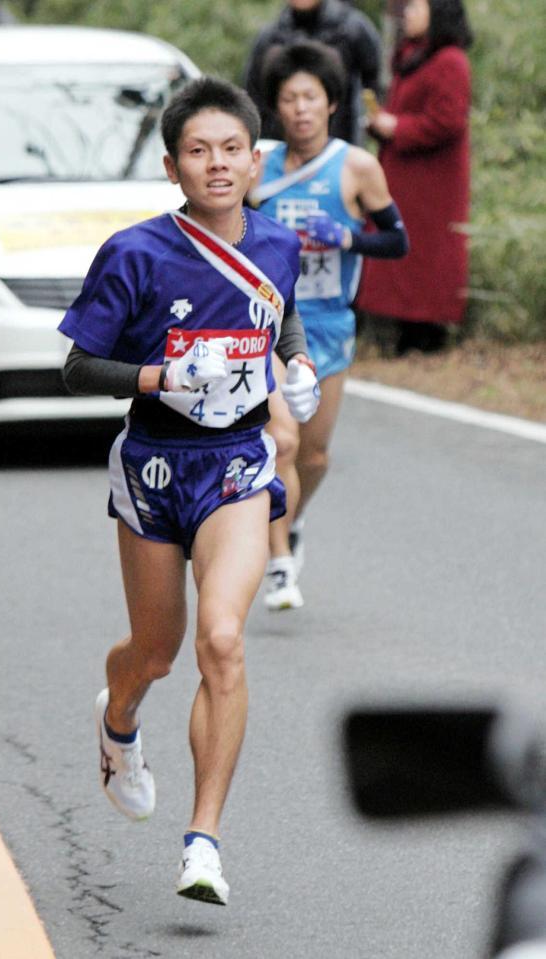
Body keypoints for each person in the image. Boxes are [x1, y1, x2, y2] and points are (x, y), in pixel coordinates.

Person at [58, 77, 319, 906]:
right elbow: (75, 366)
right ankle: (119, 720)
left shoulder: (277, 244)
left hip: (238, 464)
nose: (217, 164)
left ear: (254, 159)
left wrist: (298, 365)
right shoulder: (135, 252)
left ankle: (203, 840)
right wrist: (161, 374)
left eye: (231, 149)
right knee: (157, 652)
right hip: (154, 467)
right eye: (199, 151)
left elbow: (279, 318)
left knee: (223, 639)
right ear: (173, 166)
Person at [249, 41, 408, 610]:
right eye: (288, 98)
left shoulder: (357, 166)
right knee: (282, 444)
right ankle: (279, 565)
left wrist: (346, 238)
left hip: (329, 326)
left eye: (310, 97)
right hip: (265, 326)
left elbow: (397, 240)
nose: (299, 109)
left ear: (332, 104)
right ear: (276, 106)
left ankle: (288, 525)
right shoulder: (256, 164)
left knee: (313, 456)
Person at [357, 0, 474, 354]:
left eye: (416, 6)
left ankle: (427, 336)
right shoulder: (412, 56)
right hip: (404, 176)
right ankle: (400, 334)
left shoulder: (451, 61)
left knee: (430, 256)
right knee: (402, 253)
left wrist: (397, 126)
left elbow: (449, 121)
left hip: (433, 182)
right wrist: (381, 123)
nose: (407, 12)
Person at [244, 0, 382, 146]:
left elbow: (375, 83)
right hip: (281, 144)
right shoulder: (271, 35)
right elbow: (253, 93)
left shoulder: (352, 28)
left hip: (340, 139)